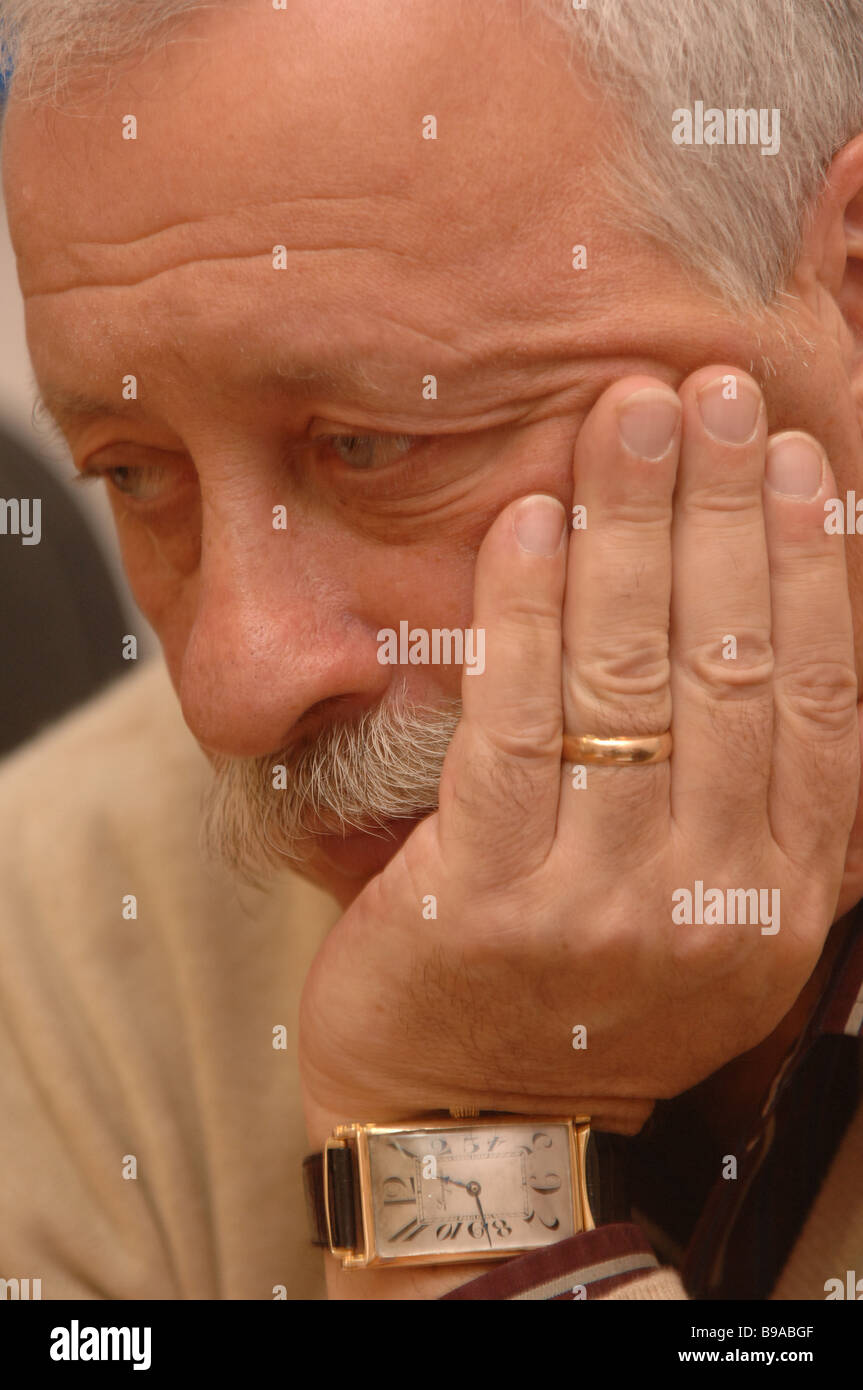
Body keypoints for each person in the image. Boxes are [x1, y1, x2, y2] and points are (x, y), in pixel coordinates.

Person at [0, 0, 862, 1302]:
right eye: (134, 472)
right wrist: (473, 1133)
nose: (235, 688)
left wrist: (462, 1177)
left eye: (374, 443)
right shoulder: (49, 941)